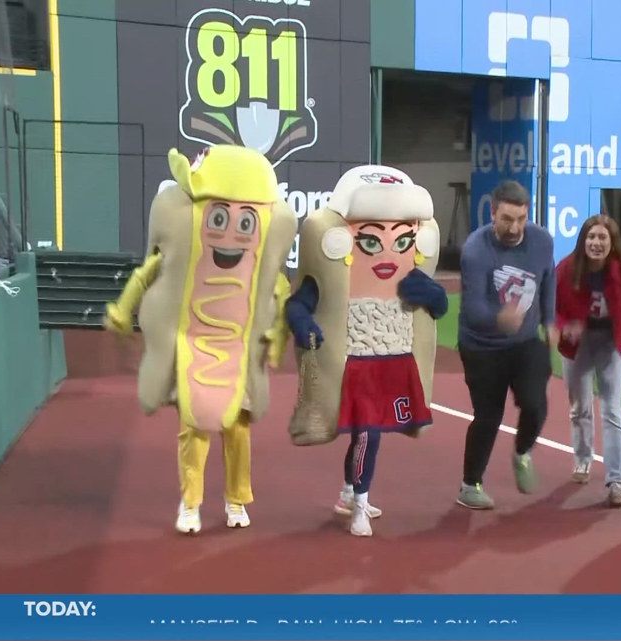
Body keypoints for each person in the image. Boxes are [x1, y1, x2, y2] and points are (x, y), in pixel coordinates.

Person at [103, 145, 297, 534]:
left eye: (245, 221)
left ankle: (236, 499)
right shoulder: (182, 248)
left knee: (237, 432)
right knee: (193, 427)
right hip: (193, 346)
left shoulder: (262, 263)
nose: (230, 235)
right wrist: (123, 311)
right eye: (218, 217)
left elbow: (280, 291)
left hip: (238, 351)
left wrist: (277, 337)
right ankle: (190, 503)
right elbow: (146, 272)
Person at [284, 165, 447, 537]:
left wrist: (434, 297)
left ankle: (348, 491)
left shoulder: (412, 276)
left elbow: (438, 308)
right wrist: (304, 324)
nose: (388, 253)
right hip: (352, 363)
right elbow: (299, 303)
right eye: (372, 241)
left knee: (371, 434)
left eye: (402, 241)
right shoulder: (331, 272)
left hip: (394, 359)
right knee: (367, 434)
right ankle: (359, 502)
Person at [456, 179, 556, 510]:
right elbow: (473, 308)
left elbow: (548, 280)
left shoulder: (541, 241)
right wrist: (500, 318)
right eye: (507, 219)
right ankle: (470, 485)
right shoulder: (476, 248)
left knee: (535, 404)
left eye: (521, 219)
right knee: (488, 415)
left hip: (525, 341)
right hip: (481, 345)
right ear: (493, 212)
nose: (514, 228)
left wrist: (550, 321)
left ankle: (522, 451)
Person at [554, 214, 621, 507]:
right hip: (577, 344)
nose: (596, 243)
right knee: (579, 407)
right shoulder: (567, 269)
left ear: (612, 242)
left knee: (611, 409)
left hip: (611, 341)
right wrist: (563, 326)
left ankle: (618, 480)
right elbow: (551, 305)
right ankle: (583, 459)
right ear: (583, 241)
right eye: (591, 238)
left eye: (602, 238)